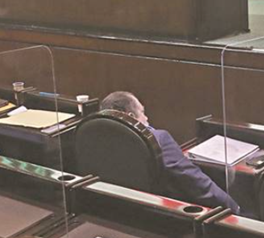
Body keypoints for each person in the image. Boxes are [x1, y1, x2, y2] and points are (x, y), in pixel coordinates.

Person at [100, 91, 240, 213]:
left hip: (112, 210)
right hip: (161, 216)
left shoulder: (94, 139)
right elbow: (194, 182)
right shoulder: (158, 140)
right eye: (142, 112)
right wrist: (233, 208)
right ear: (131, 116)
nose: (147, 118)